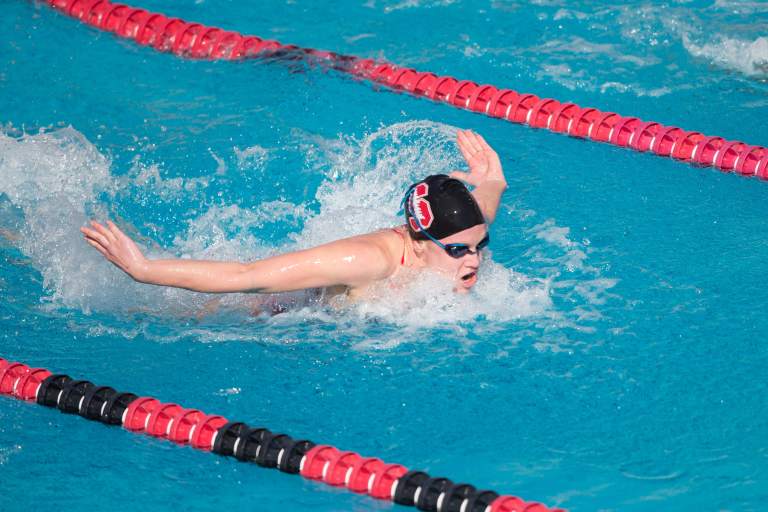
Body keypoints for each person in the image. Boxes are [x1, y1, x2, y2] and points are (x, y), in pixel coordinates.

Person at [80, 130, 507, 302]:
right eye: (457, 250)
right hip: (273, 312)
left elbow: (482, 205)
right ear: (420, 241)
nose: (473, 259)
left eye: (479, 246)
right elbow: (247, 275)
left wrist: (494, 181)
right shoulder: (367, 261)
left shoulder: (460, 235)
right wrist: (144, 269)